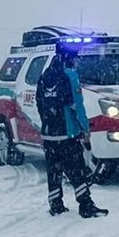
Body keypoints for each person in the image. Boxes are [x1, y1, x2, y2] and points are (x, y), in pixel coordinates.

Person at [36, 41, 108, 218]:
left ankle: (56, 204)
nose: (77, 61)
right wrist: (84, 128)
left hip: (49, 133)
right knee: (77, 170)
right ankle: (85, 204)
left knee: (54, 171)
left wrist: (47, 123)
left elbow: (40, 103)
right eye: (76, 57)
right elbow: (77, 105)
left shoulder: (45, 76)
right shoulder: (70, 76)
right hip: (67, 133)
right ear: (69, 58)